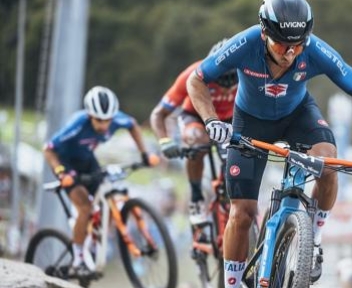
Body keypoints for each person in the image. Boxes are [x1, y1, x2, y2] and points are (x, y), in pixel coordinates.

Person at [185, 0, 352, 287]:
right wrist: (211, 121)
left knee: (327, 160)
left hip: (298, 116)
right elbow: (195, 80)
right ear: (264, 33)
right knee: (243, 213)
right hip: (250, 123)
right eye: (283, 44)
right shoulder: (245, 43)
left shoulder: (313, 49)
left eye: (298, 45)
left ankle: (314, 237)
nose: (290, 53)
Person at [43, 86, 156, 276]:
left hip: (88, 161)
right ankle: (78, 259)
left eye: (107, 120)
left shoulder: (116, 118)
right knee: (85, 208)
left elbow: (133, 125)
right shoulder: (78, 124)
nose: (104, 125)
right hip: (67, 164)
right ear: (89, 115)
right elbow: (48, 149)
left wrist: (145, 154)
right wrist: (62, 174)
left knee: (109, 200)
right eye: (98, 120)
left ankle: (92, 240)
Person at [150, 38, 238, 225]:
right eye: (220, 83)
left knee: (241, 151)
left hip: (231, 119)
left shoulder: (251, 73)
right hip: (196, 117)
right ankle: (196, 196)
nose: (225, 90)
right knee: (197, 142)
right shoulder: (192, 74)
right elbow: (159, 114)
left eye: (232, 84)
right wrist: (165, 142)